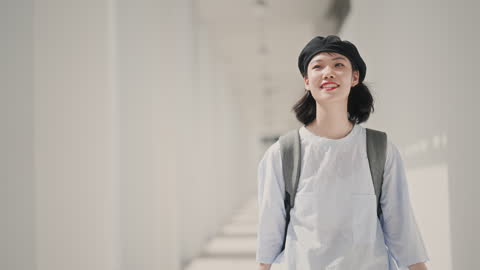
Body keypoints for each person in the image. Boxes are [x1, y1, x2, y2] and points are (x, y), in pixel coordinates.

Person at [255, 35, 429, 270]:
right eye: (318, 66)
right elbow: (269, 234)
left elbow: (401, 227)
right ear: (307, 80)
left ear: (354, 77)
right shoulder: (283, 153)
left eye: (339, 65)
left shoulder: (379, 149)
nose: (328, 72)